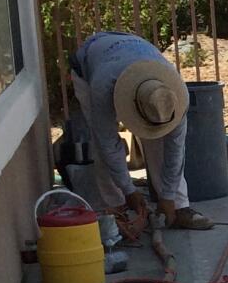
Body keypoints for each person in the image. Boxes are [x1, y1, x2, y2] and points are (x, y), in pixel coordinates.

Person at [68, 33, 213, 240]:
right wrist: (129, 190)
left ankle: (178, 207)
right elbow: (108, 143)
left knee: (160, 140)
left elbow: (175, 149)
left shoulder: (175, 95)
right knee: (102, 145)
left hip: (129, 53)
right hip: (92, 64)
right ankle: (116, 209)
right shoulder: (103, 86)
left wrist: (168, 196)